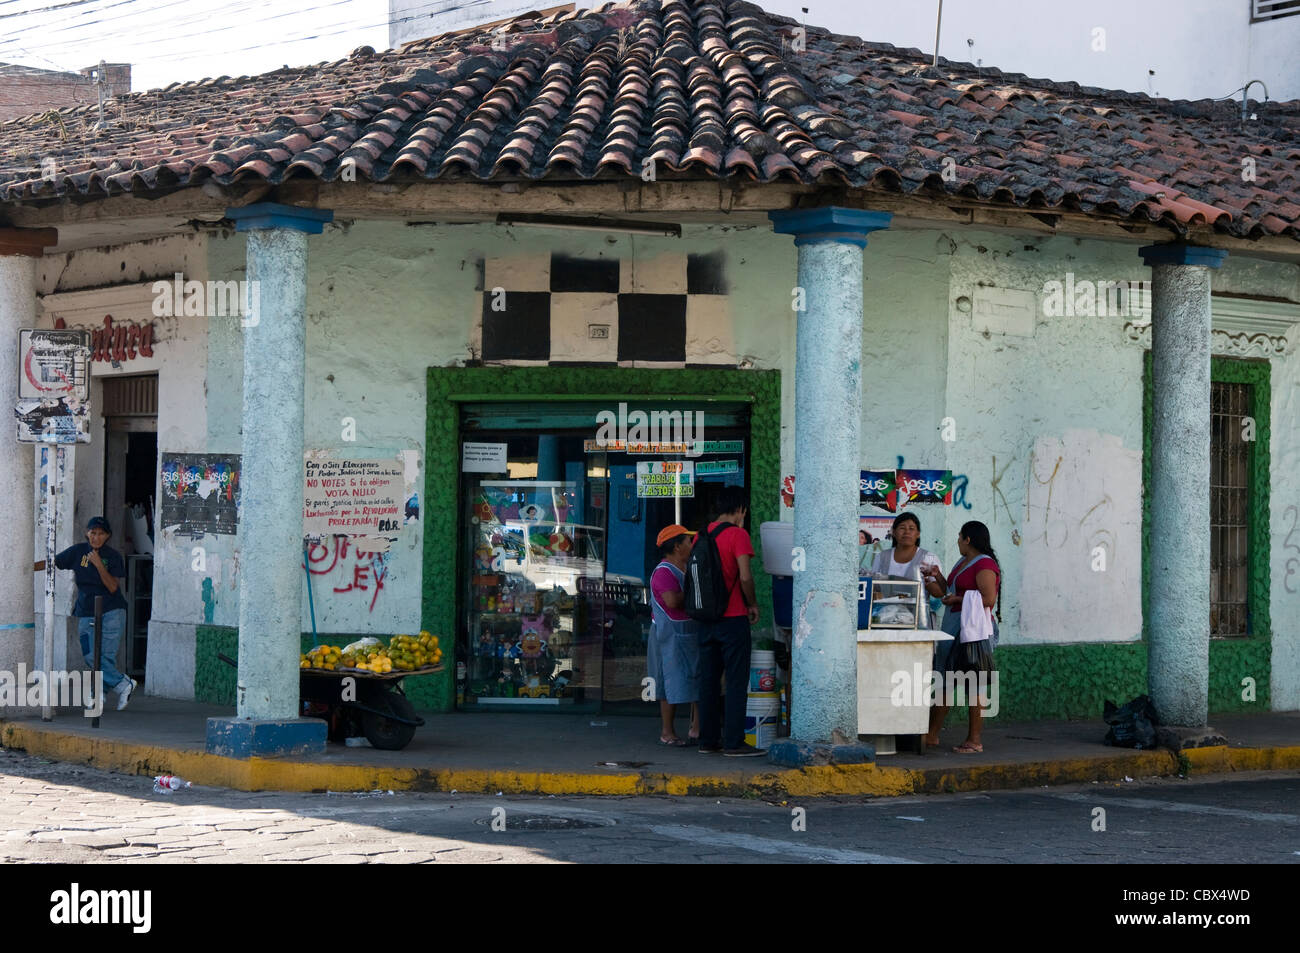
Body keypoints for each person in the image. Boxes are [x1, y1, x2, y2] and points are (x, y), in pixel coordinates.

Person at [921, 520, 1001, 754]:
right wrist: (938, 576)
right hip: (954, 628)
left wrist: (957, 600)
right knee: (945, 681)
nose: (957, 540)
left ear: (968, 539)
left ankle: (974, 739)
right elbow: (953, 589)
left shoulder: (984, 564)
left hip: (973, 633)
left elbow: (988, 599)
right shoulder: (962, 562)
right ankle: (931, 735)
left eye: (959, 536)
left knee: (974, 684)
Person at [696, 487, 764, 756]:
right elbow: (745, 577)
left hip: (705, 618)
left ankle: (707, 741)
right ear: (741, 509)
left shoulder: (701, 535)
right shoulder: (738, 534)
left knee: (709, 681)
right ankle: (734, 742)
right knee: (735, 681)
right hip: (733, 617)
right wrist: (753, 604)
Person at [54, 516, 134, 710]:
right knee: (90, 655)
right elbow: (53, 562)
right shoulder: (77, 551)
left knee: (105, 656)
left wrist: (99, 564)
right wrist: (23, 568)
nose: (96, 537)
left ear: (107, 536)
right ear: (86, 533)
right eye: (93, 533)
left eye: (100, 534)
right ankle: (123, 684)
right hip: (86, 610)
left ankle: (98, 695)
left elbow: (114, 587)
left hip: (112, 610)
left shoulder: (112, 556)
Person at [647, 524, 700, 746]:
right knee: (668, 681)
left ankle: (696, 728)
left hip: (687, 632)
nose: (691, 545)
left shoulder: (687, 568)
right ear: (677, 546)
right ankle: (667, 732)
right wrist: (695, 589)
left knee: (697, 677)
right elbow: (672, 601)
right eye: (688, 541)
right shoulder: (664, 572)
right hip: (666, 635)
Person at [870, 511, 945, 627]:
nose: (907, 532)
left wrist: (925, 580)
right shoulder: (882, 557)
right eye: (902, 528)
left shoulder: (929, 558)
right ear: (893, 532)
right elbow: (873, 588)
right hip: (885, 618)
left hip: (918, 621)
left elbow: (939, 593)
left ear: (918, 534)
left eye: (911, 528)